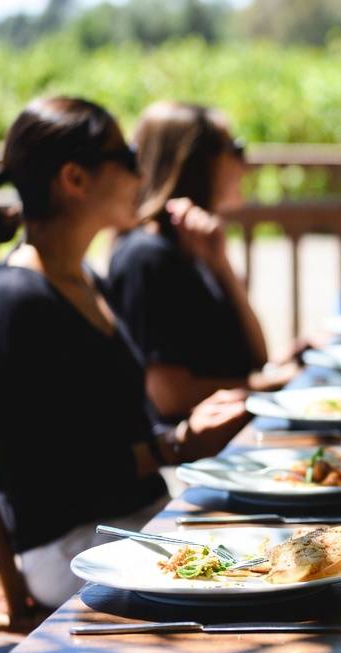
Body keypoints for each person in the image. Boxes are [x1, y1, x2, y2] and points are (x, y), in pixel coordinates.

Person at [0, 97, 248, 608]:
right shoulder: (17, 302)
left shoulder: (85, 278)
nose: (142, 171)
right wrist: (176, 446)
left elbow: (108, 428)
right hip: (69, 548)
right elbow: (44, 477)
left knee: (267, 552)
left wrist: (180, 436)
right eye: (128, 156)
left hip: (131, 525)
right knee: (247, 578)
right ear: (75, 179)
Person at [106, 101, 281, 422]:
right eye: (235, 149)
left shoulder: (193, 246)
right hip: (189, 458)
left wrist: (221, 264)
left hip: (231, 437)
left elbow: (258, 355)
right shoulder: (146, 256)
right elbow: (168, 396)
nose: (244, 165)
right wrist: (262, 386)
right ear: (197, 162)